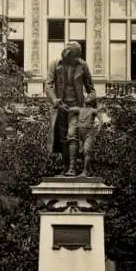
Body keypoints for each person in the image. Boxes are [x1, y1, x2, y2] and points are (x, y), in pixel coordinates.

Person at [46, 41, 96, 176]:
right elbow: (48, 85)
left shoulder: (82, 65)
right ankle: (66, 167)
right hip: (60, 107)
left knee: (72, 136)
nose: (77, 59)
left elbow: (91, 88)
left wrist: (90, 98)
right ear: (68, 55)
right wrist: (55, 101)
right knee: (62, 138)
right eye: (75, 56)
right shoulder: (55, 64)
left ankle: (73, 168)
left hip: (76, 108)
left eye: (78, 56)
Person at [68, 97, 103, 177]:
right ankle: (89, 170)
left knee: (87, 151)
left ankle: (86, 172)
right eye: (87, 97)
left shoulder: (94, 110)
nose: (88, 98)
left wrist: (99, 130)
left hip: (89, 134)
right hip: (81, 135)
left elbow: (101, 120)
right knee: (82, 152)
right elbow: (70, 109)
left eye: (90, 97)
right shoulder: (80, 109)